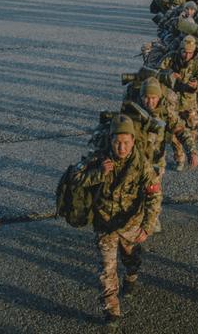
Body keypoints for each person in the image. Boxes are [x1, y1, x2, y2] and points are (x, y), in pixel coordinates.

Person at [80, 114, 162, 327]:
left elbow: (154, 195)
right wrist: (99, 173)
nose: (122, 147)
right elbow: (76, 179)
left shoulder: (141, 164)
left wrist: (148, 226)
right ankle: (112, 312)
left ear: (133, 141)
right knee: (107, 269)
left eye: (126, 142)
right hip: (104, 224)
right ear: (110, 140)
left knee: (130, 258)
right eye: (117, 142)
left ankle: (132, 275)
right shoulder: (98, 158)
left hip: (130, 225)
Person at [158, 35, 198, 171]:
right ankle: (179, 157)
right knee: (174, 132)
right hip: (172, 104)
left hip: (189, 105)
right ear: (180, 50)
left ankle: (190, 152)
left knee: (191, 132)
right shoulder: (170, 58)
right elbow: (157, 73)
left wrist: (197, 86)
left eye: (190, 52)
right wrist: (169, 75)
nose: (187, 55)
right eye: (184, 52)